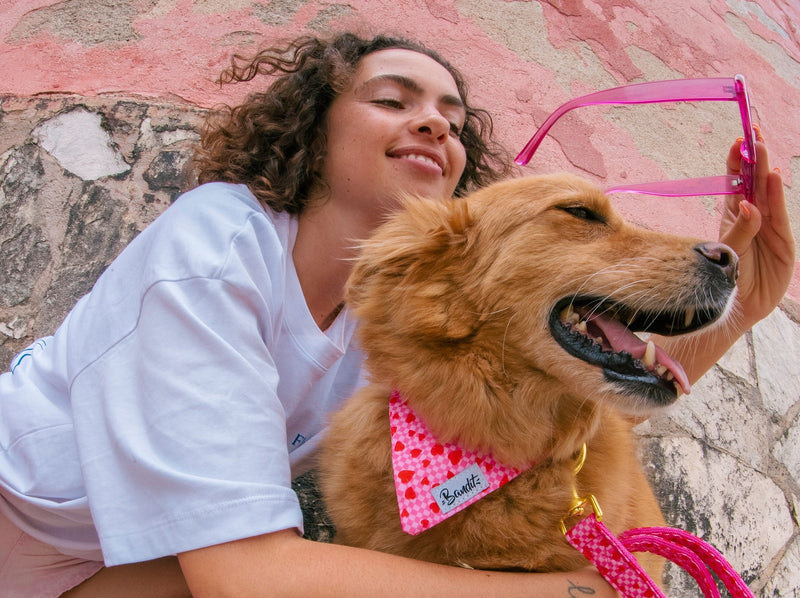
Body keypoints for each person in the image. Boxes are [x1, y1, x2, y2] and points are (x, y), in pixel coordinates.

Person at [0, 32, 793, 598]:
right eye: (392, 99)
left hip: (122, 561)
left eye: (452, 115)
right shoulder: (217, 243)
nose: (436, 122)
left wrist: (740, 312)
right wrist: (579, 590)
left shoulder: (396, 314)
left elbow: (569, 387)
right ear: (313, 134)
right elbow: (248, 578)